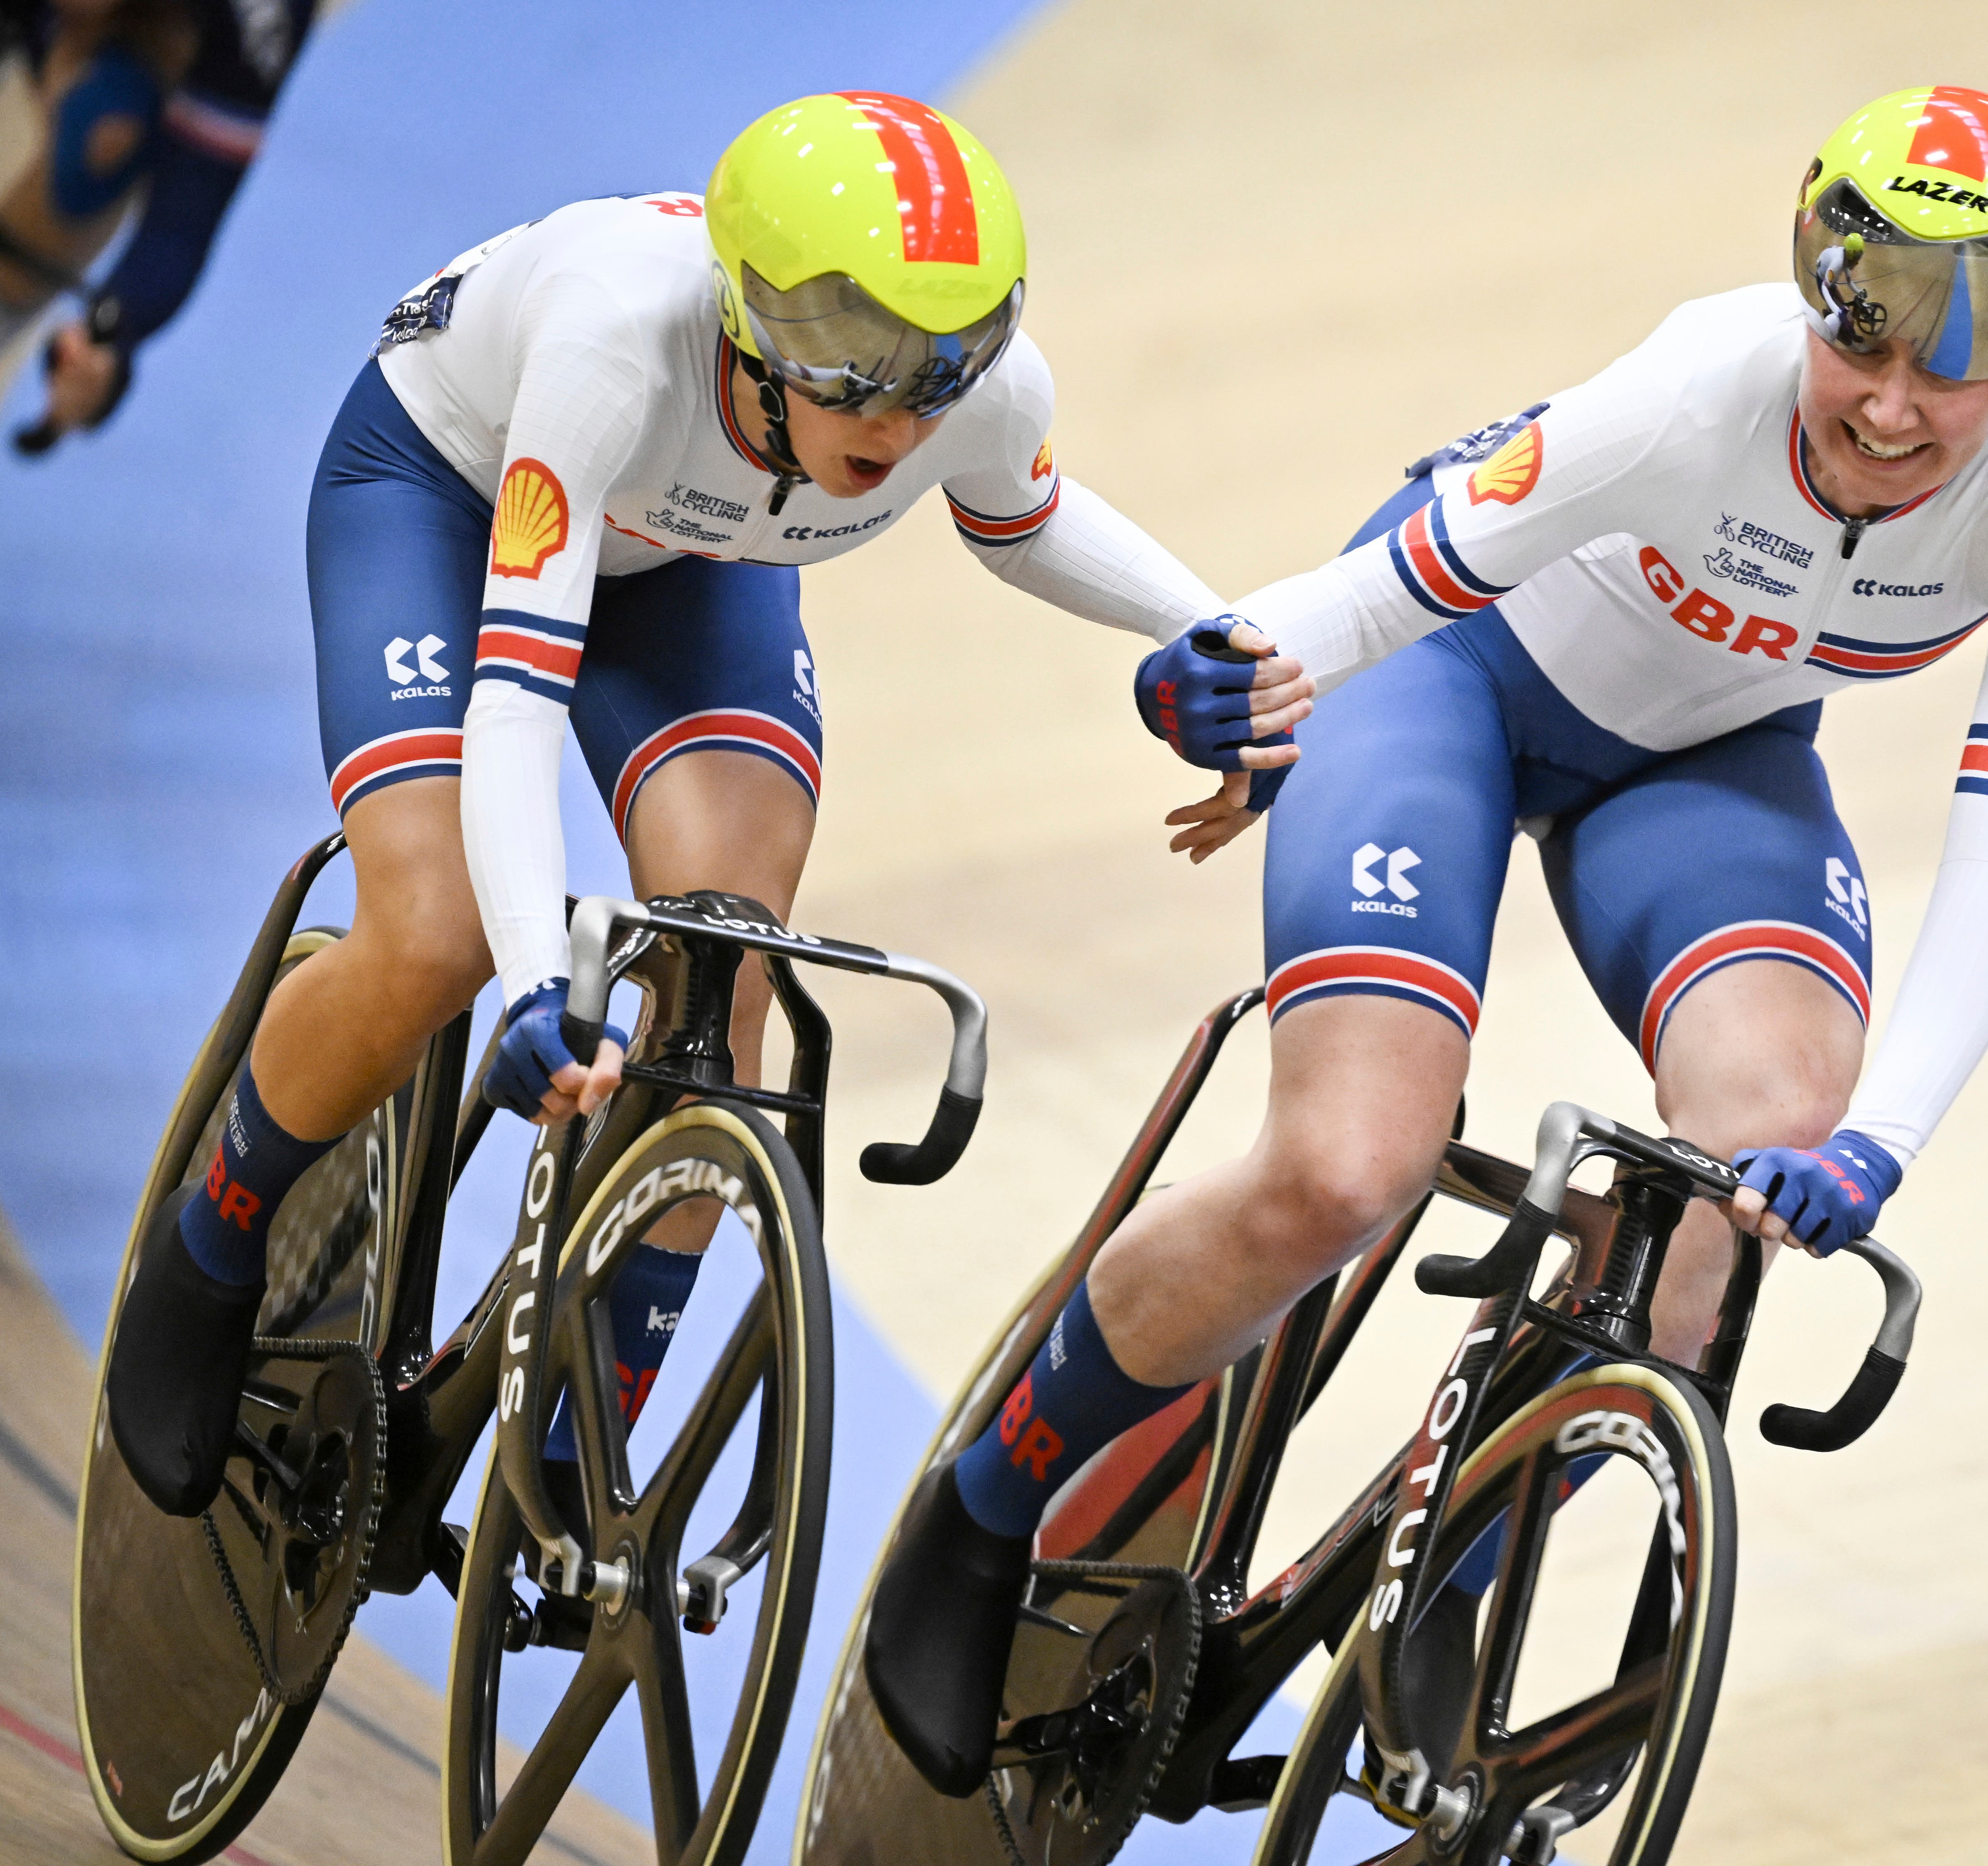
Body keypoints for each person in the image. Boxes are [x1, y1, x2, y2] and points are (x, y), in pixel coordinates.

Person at [863, 84, 1988, 1795]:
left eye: (1950, 375)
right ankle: (983, 1505)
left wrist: (1880, 1140)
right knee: (1343, 1163)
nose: (1896, 411)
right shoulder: (1702, 382)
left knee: (1751, 1165)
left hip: (1709, 762)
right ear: (1805, 291)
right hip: (1449, 679)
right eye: (1864, 350)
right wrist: (1238, 658)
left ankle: (1439, 1555)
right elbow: (1398, 585)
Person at [99, 90, 1309, 1519]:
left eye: (938, 366)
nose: (898, 411)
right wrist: (541, 974)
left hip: (686, 554)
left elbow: (1030, 520)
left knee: (723, 969)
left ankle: (576, 1424)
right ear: (749, 323)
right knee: (438, 932)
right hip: (448, 495)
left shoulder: (973, 394)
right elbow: (516, 700)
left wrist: (1215, 635)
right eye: (849, 363)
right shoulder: (613, 344)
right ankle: (217, 1236)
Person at [0, 0, 318, 450]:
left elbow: (182, 220)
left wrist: (111, 333)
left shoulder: (262, 18)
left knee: (103, 136)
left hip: (118, 42)